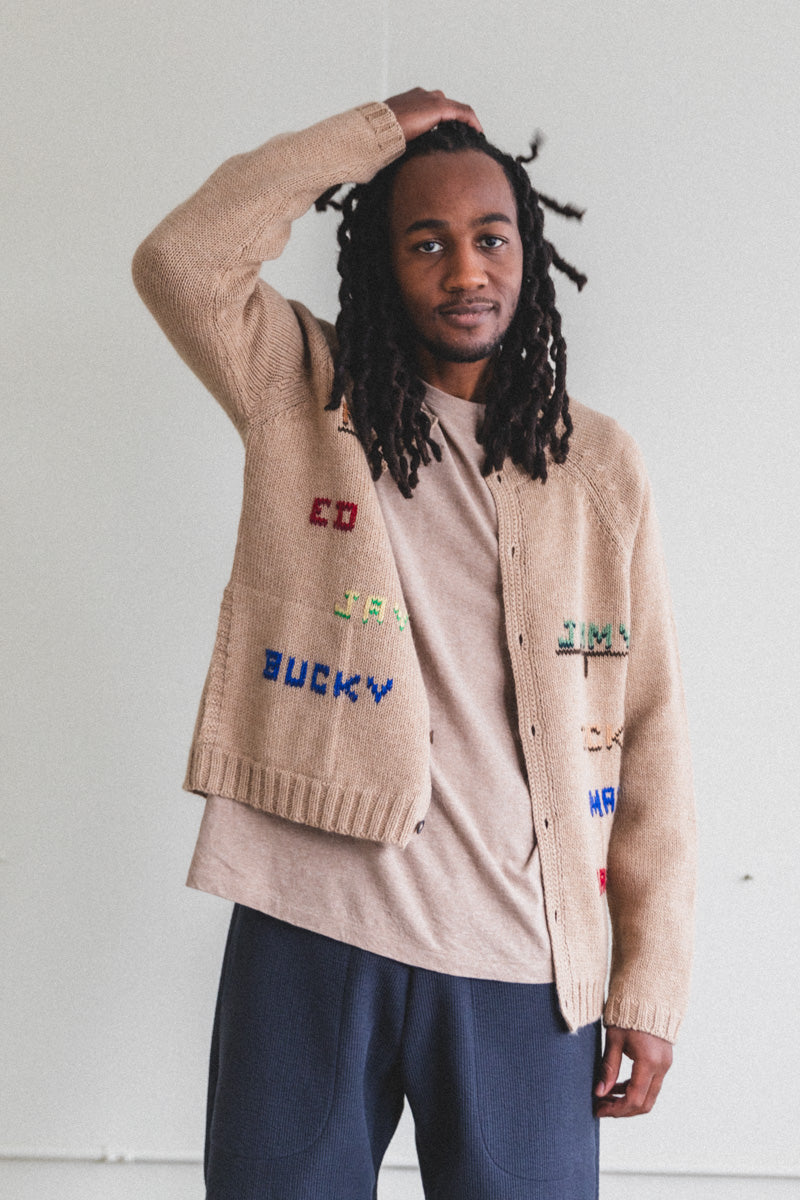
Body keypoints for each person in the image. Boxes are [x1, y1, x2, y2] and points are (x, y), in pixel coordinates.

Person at [133, 87, 696, 1200]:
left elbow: (650, 725)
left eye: (491, 238)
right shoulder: (306, 393)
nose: (465, 270)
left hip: (520, 953)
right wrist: (368, 135)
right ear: (382, 264)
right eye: (426, 242)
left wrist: (650, 977)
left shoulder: (595, 465)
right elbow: (181, 261)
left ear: (527, 253)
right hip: (312, 921)